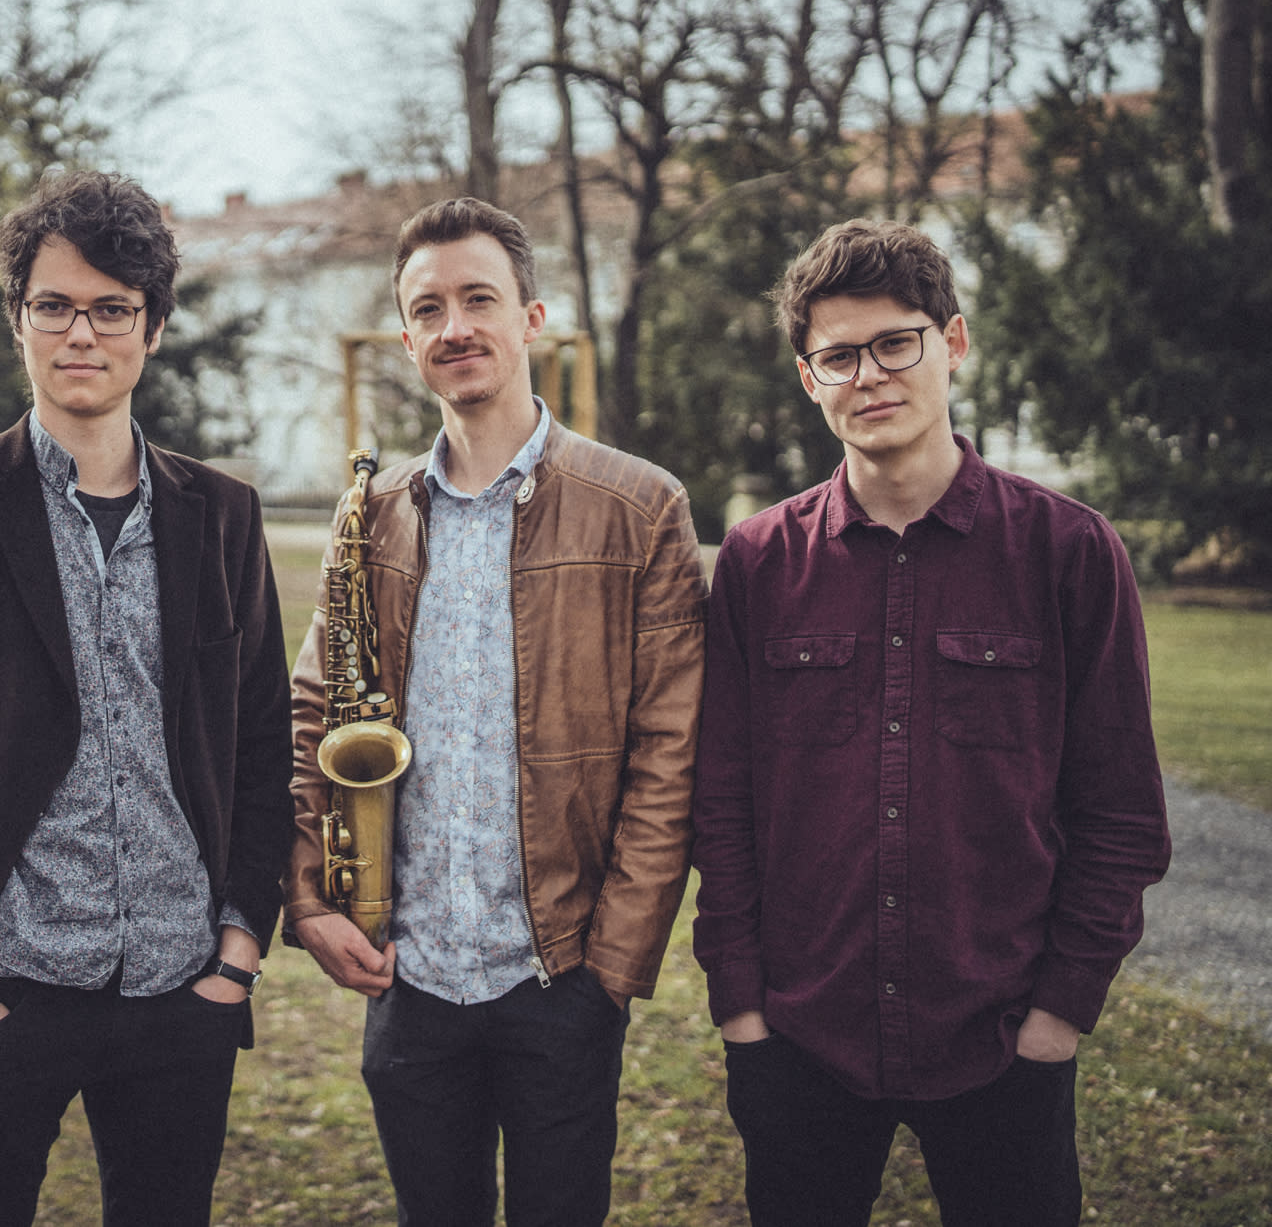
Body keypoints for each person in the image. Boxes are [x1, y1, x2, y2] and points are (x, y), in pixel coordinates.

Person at [692, 219, 1173, 1226]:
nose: (869, 375)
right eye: (838, 356)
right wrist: (741, 1010)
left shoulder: (1070, 553)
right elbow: (721, 804)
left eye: (894, 343)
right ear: (807, 378)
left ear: (951, 342)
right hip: (800, 1040)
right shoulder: (756, 564)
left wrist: (1057, 1017)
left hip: (1003, 1036)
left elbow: (1121, 814)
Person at [0, 169, 293, 1226]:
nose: (81, 333)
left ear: (151, 327)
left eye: (111, 308)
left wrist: (236, 952)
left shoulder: (223, 514)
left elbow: (261, 739)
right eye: (53, 305)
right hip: (0, 985)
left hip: (182, 991)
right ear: (17, 319)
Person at [286, 197, 707, 1225]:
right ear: (406, 340)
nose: (455, 327)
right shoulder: (370, 512)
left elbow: (670, 751)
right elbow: (311, 714)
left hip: (560, 978)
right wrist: (310, 901)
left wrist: (610, 968)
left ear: (532, 318)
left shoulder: (642, 506)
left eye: (478, 299)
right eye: (427, 309)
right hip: (409, 981)